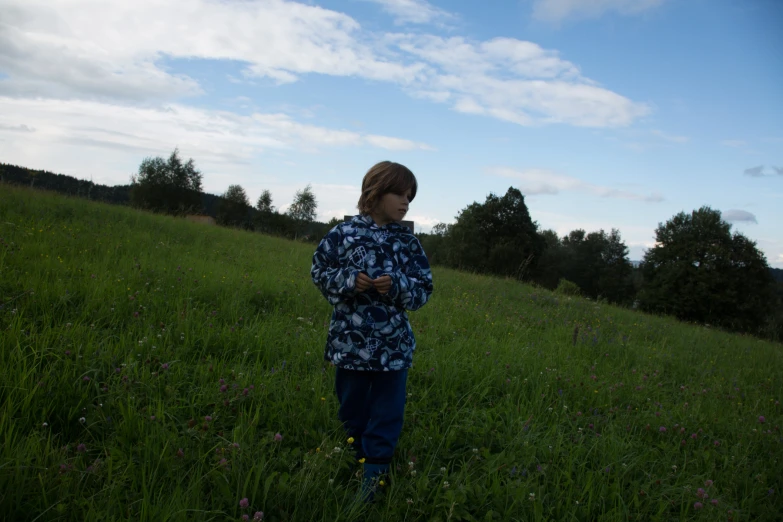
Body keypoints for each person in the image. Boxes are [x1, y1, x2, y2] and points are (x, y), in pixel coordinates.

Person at [310, 161, 434, 502]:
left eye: (410, 196)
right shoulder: (344, 234)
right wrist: (350, 280)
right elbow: (319, 270)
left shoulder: (407, 242)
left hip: (393, 348)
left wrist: (396, 285)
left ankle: (374, 472)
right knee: (351, 406)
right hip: (350, 343)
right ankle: (354, 454)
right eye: (399, 193)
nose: (405, 202)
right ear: (375, 192)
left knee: (388, 409)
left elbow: (423, 289)